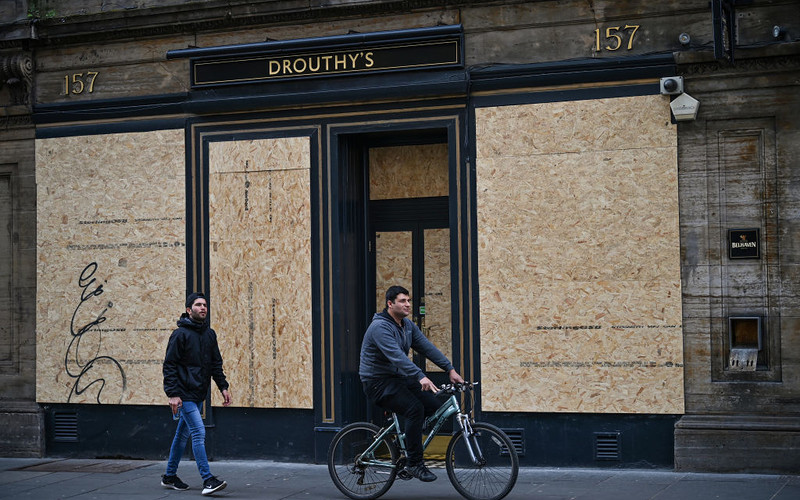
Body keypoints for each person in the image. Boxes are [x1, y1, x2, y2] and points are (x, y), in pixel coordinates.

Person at [359, 285, 464, 482]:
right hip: (377, 382)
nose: (408, 305)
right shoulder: (380, 328)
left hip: (398, 379)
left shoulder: (407, 326)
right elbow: (397, 357)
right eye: (402, 301)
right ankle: (414, 463)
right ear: (390, 304)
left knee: (433, 405)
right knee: (414, 409)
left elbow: (427, 347)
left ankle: (407, 440)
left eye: (408, 301)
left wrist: (449, 369)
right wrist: (419, 375)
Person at [161, 292, 231, 496]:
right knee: (198, 432)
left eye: (205, 305)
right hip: (184, 395)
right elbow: (170, 365)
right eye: (198, 305)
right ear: (188, 310)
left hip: (199, 394)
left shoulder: (210, 334)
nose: (203, 308)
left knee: (182, 435)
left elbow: (216, 364)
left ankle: (169, 476)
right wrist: (173, 394)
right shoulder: (179, 335)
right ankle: (208, 479)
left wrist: (223, 387)